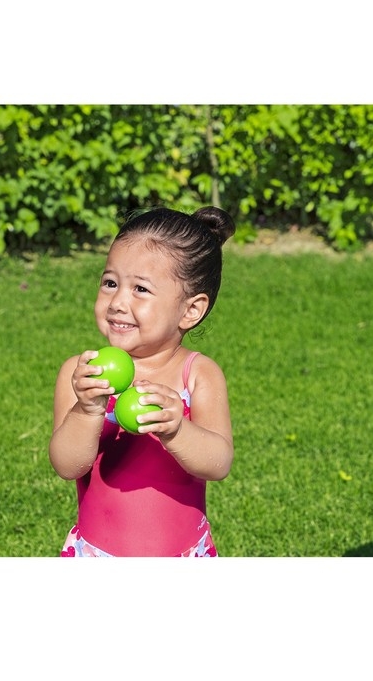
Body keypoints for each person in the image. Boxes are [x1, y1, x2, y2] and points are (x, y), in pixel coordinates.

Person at [49, 205, 235, 557]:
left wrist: (177, 430)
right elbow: (67, 465)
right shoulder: (82, 374)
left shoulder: (197, 374)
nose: (118, 302)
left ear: (190, 310)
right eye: (110, 283)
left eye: (140, 289)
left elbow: (219, 462)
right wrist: (87, 411)